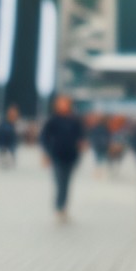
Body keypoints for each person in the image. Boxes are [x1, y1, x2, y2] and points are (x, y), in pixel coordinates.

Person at [38, 95, 85, 223]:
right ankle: (58, 207)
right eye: (61, 103)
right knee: (59, 182)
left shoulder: (74, 120)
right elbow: (44, 137)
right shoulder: (53, 120)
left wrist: (81, 146)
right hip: (57, 156)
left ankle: (64, 206)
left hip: (71, 156)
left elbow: (80, 136)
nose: (63, 105)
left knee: (67, 183)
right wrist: (46, 153)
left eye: (65, 103)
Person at [0, 104, 20, 169]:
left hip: (7, 154)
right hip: (5, 155)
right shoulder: (5, 127)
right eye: (13, 114)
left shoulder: (11, 126)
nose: (15, 116)